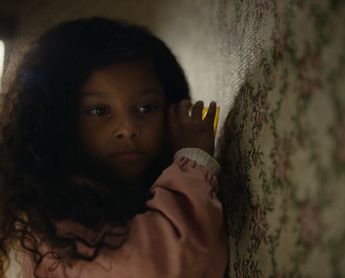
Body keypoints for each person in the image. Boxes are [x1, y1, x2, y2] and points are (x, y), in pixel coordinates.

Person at [0, 17, 227, 278]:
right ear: (56, 122)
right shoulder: (56, 216)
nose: (128, 128)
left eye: (147, 108)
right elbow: (153, 266)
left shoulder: (145, 190)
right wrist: (193, 162)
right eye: (99, 110)